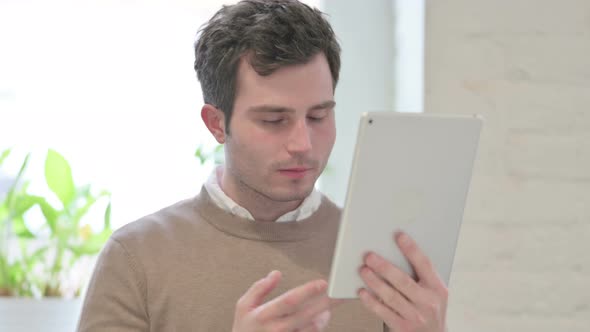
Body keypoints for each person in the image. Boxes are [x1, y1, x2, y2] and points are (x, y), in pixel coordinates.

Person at [77, 0, 449, 331]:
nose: (303, 144)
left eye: (318, 116)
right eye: (274, 120)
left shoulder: (377, 259)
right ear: (216, 124)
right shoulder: (136, 259)